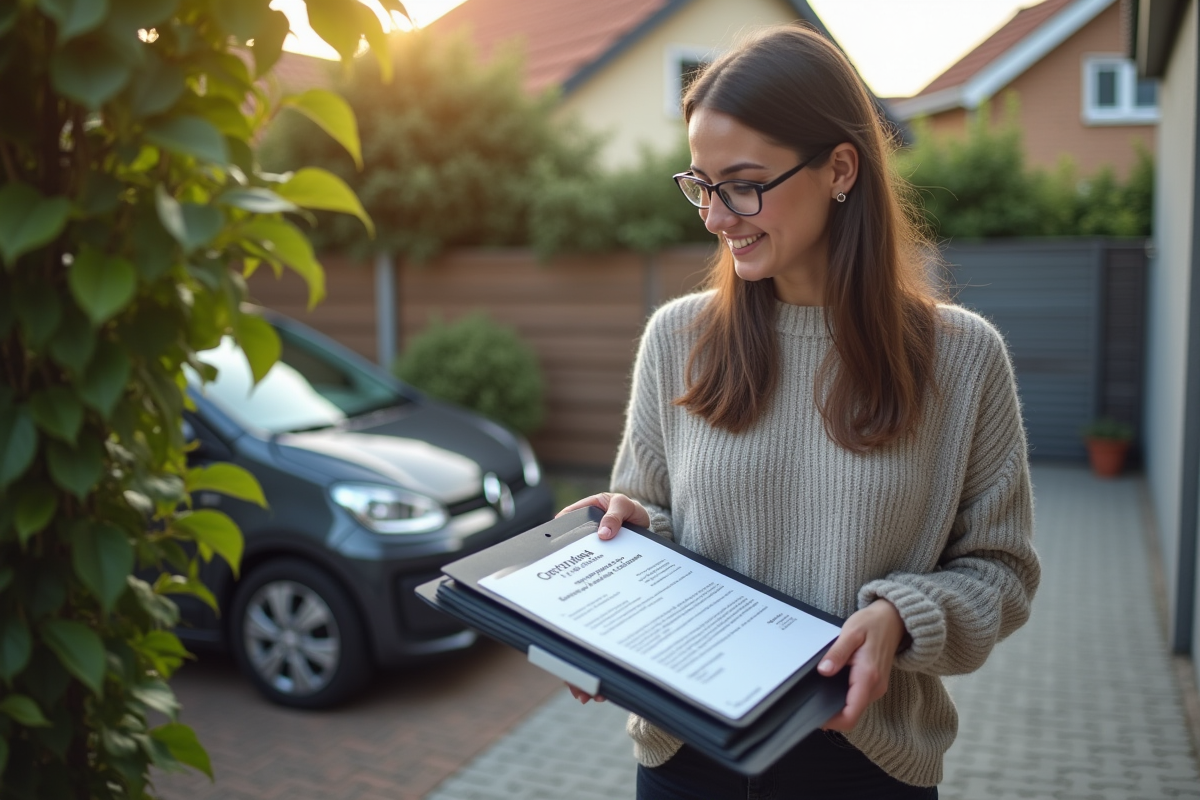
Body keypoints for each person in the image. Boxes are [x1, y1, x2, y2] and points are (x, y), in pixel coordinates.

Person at [557, 23, 1042, 800]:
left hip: (862, 762)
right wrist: (626, 548)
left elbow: (1002, 572)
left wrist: (899, 618)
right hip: (685, 759)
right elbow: (654, 516)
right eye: (701, 185)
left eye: (743, 183)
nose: (716, 217)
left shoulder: (962, 358)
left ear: (840, 169)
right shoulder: (676, 339)